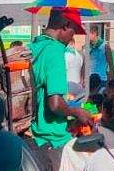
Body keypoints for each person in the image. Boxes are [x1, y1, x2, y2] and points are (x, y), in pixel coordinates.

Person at [29, 12, 88, 156]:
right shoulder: (55, 50)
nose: (73, 37)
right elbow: (55, 104)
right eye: (73, 31)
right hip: (52, 139)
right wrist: (77, 112)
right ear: (66, 26)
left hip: (33, 135)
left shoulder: (35, 45)